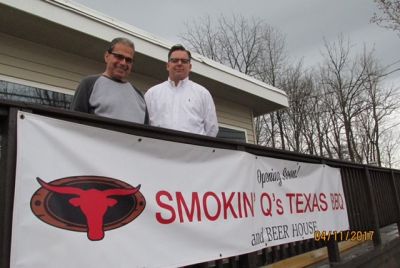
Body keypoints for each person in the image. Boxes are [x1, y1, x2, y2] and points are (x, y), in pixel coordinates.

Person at [144, 44, 218, 136]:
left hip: (193, 150)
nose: (179, 63)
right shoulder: (152, 94)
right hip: (159, 149)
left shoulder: (203, 94)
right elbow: (144, 125)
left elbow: (212, 129)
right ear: (167, 65)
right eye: (174, 60)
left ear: (190, 66)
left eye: (184, 61)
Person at [70, 37, 148, 124]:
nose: (123, 63)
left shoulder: (139, 95)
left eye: (129, 60)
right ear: (107, 56)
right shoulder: (88, 84)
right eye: (119, 57)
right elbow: (75, 125)